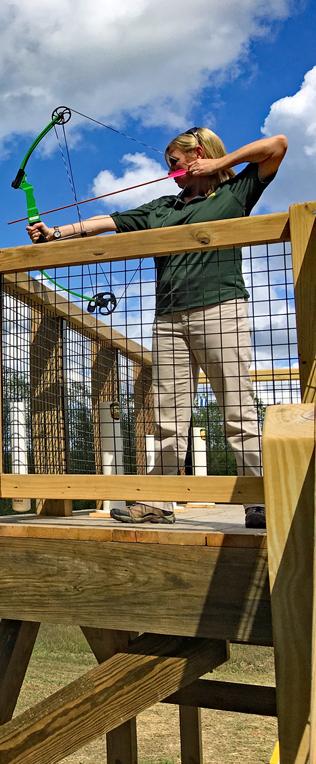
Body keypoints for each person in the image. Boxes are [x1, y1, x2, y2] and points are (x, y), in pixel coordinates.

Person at [27, 128, 288, 527]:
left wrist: (219, 164)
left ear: (198, 153)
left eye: (174, 160)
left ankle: (259, 503)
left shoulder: (234, 193)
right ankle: (160, 503)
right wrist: (55, 233)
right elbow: (107, 222)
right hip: (168, 319)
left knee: (237, 411)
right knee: (168, 414)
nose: (169, 169)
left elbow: (278, 146)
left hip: (222, 310)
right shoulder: (163, 207)